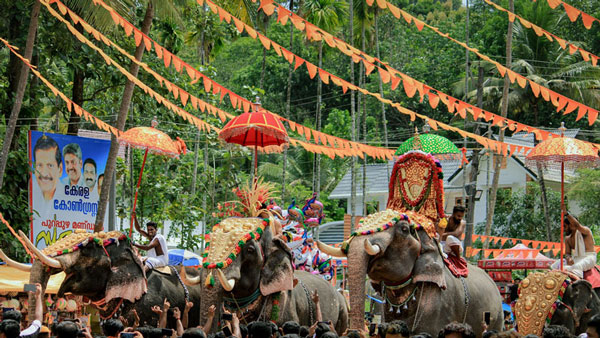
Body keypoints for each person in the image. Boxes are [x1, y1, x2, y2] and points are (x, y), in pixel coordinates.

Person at [551, 209, 596, 279]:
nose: (563, 229)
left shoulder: (585, 231)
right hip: (575, 259)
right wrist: (569, 259)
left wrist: (566, 214)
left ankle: (579, 283)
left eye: (565, 226)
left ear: (571, 225)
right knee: (556, 264)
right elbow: (567, 253)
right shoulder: (567, 238)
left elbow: (577, 225)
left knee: (577, 266)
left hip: (588, 258)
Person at [33, 136, 63, 202]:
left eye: (50, 165)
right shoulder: (32, 194)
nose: (44, 173)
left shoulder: (68, 198)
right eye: (39, 165)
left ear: (60, 169)